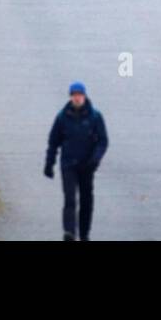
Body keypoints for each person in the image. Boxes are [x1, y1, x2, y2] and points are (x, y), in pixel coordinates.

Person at [44, 82, 108, 241]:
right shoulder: (62, 117)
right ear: (71, 96)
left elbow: (103, 141)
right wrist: (49, 163)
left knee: (86, 201)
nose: (77, 98)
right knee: (70, 199)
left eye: (80, 95)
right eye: (74, 95)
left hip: (87, 165)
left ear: (84, 96)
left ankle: (84, 233)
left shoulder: (95, 116)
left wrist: (95, 159)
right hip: (68, 164)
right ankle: (69, 232)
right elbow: (53, 141)